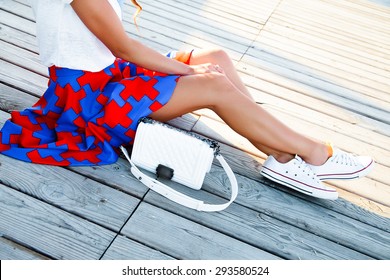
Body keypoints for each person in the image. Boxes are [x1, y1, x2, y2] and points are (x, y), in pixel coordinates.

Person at [0, 0, 374, 200]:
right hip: (90, 102)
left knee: (216, 58)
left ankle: (280, 157)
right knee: (212, 83)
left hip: (112, 77)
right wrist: (190, 75)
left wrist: (194, 69)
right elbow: (124, 46)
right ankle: (312, 154)